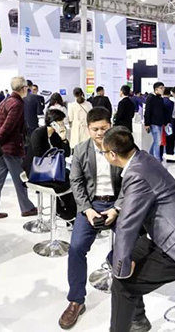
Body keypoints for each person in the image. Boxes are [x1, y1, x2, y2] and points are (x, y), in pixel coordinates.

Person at [101, 127, 175, 332]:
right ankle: (138, 319)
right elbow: (129, 195)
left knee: (122, 285)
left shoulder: (136, 174)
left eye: (104, 152)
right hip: (172, 235)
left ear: (113, 155)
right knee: (113, 257)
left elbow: (127, 225)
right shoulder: (143, 159)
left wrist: (122, 269)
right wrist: (116, 209)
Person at [58, 107, 123, 329]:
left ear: (110, 125)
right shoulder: (80, 150)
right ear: (88, 129)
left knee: (135, 243)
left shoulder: (121, 146)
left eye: (104, 128)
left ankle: (132, 298)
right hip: (91, 206)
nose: (100, 133)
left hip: (118, 205)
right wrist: (87, 209)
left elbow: (131, 180)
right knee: (76, 248)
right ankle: (76, 301)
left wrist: (117, 208)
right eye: (95, 129)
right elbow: (76, 183)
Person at [0, 76, 37, 219]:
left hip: (3, 149)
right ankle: (27, 208)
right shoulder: (17, 104)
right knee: (20, 178)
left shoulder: (5, 101)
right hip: (11, 148)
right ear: (23, 88)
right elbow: (7, 127)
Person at [26, 108, 76, 223]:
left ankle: (68, 212)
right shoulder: (38, 133)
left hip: (52, 169)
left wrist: (64, 139)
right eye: (61, 122)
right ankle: (62, 210)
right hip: (37, 170)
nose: (63, 125)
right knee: (65, 181)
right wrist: (54, 154)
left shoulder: (55, 136)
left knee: (73, 178)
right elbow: (38, 154)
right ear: (53, 123)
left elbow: (66, 153)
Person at [144, 82, 165, 161]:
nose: (163, 90)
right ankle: (157, 160)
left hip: (160, 123)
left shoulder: (160, 99)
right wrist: (147, 123)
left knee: (157, 141)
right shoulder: (150, 98)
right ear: (156, 89)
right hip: (153, 123)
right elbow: (147, 111)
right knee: (158, 141)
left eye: (163, 88)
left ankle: (149, 157)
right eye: (161, 88)